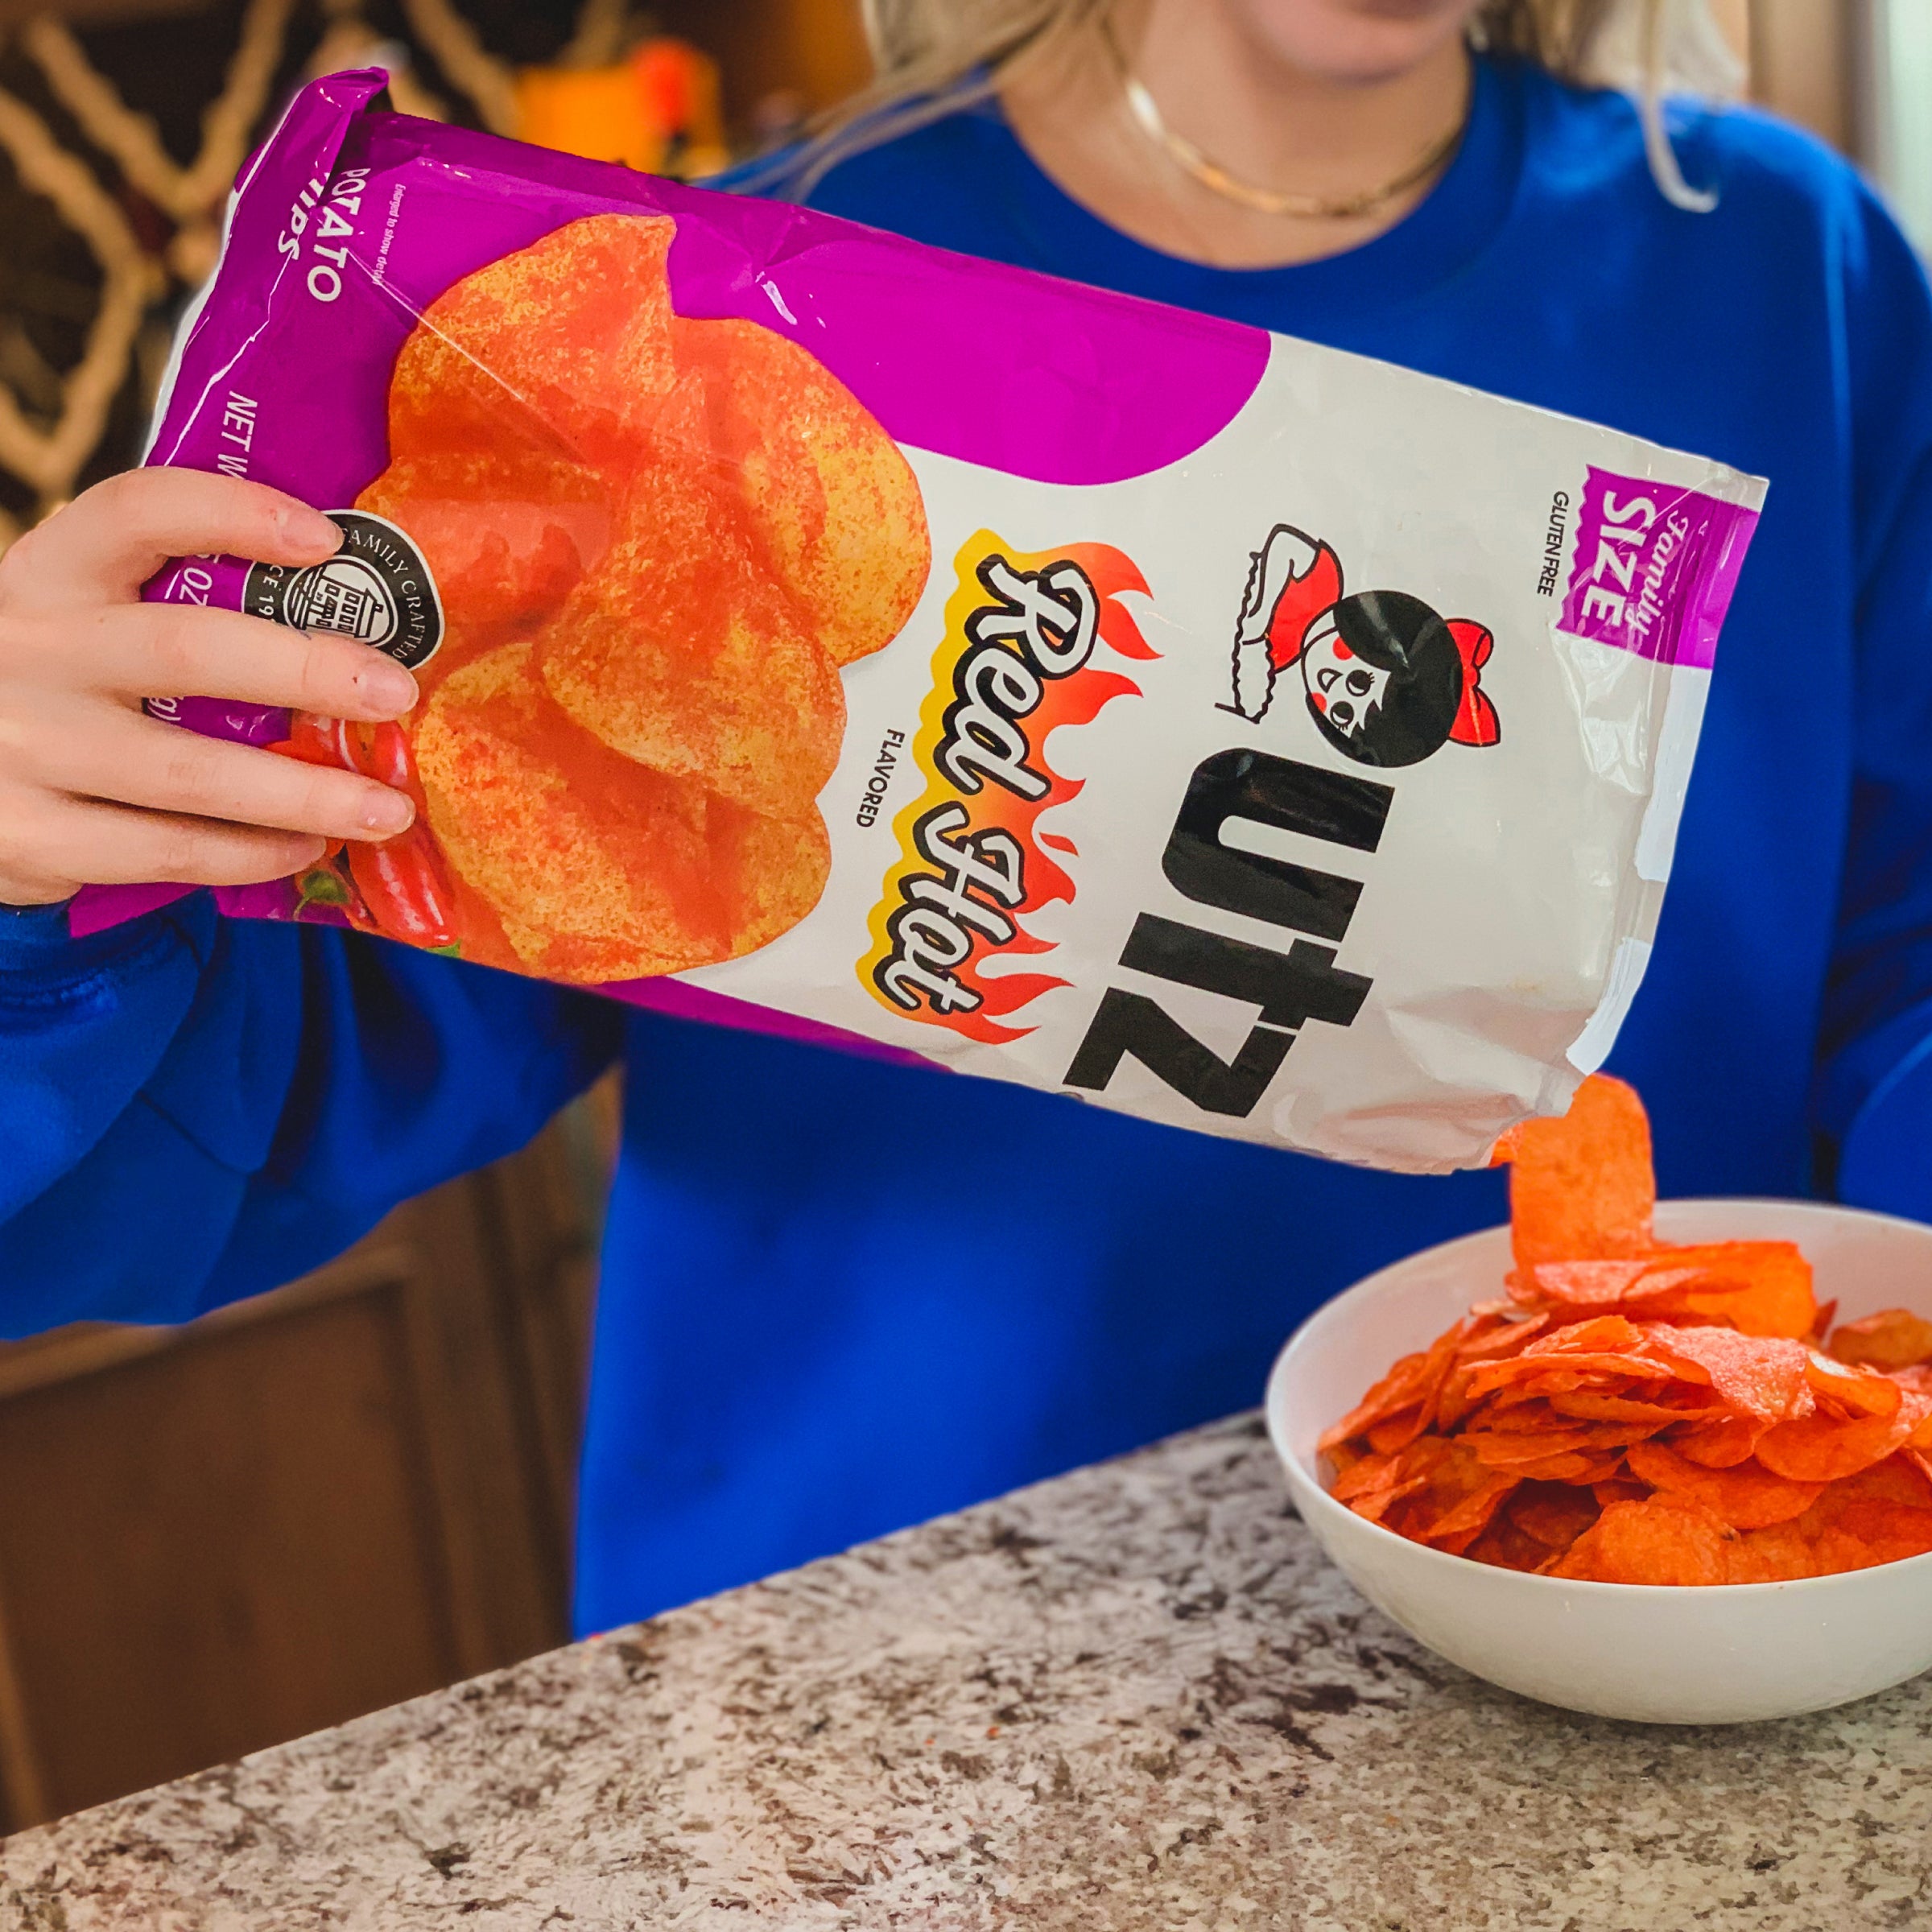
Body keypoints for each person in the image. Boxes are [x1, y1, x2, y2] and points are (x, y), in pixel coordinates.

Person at [3, 0, 1930, 1637]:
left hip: (1633, 1633)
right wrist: (36, 888)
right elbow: (213, 1136)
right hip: (874, 1687)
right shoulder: (691, 319)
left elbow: (1903, 958)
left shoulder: (1794, 275)